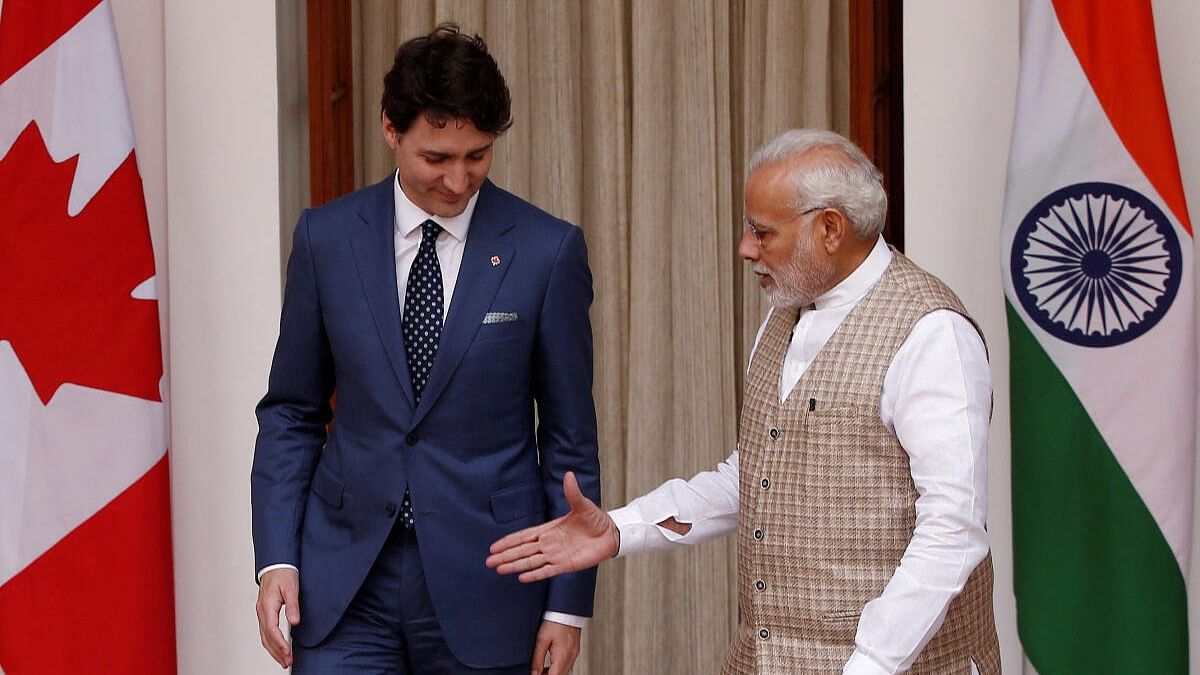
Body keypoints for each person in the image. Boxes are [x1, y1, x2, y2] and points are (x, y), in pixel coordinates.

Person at [488, 129, 1002, 674]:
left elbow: (952, 530)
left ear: (830, 228)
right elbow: (758, 476)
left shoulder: (932, 333)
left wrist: (870, 664)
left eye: (762, 232)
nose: (745, 249)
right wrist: (621, 528)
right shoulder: (785, 314)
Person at [252, 24, 600, 675]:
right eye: (436, 157)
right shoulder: (326, 239)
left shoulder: (547, 251)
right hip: (345, 579)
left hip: (490, 581)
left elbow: (569, 436)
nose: (458, 179)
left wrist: (566, 605)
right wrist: (277, 557)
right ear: (391, 129)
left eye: (477, 155)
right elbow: (291, 412)